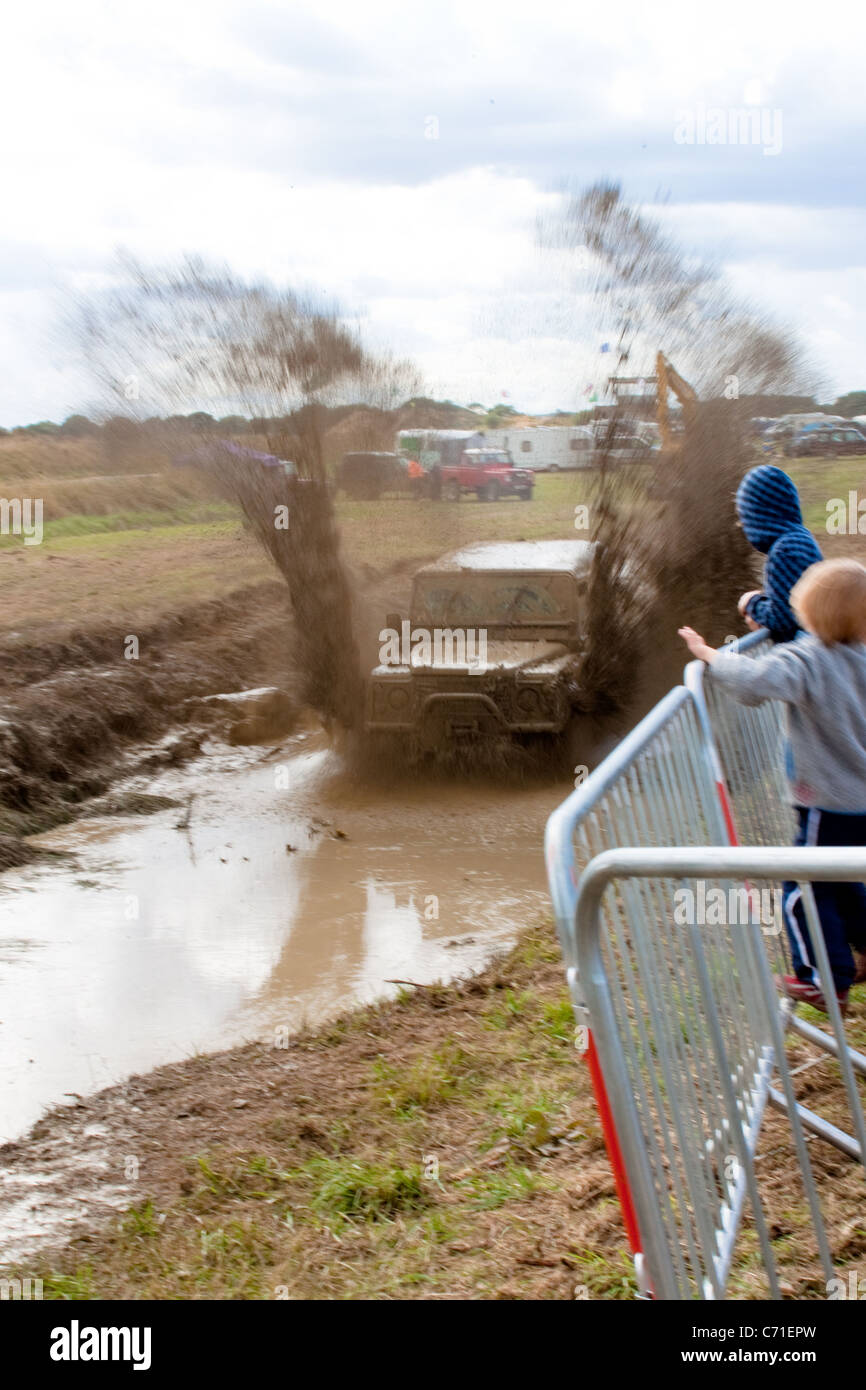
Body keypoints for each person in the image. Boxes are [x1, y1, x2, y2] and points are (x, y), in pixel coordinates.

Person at [680, 558, 866, 1015]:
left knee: (802, 886)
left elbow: (754, 680)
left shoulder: (809, 659)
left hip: (829, 802)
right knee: (843, 880)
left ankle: (823, 979)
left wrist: (707, 654)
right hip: (860, 803)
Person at [735, 464, 822, 643]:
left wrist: (750, 603)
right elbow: (790, 598)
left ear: (760, 516)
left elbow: (782, 617)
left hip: (802, 660)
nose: (743, 527)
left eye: (745, 519)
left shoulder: (785, 551)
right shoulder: (801, 538)